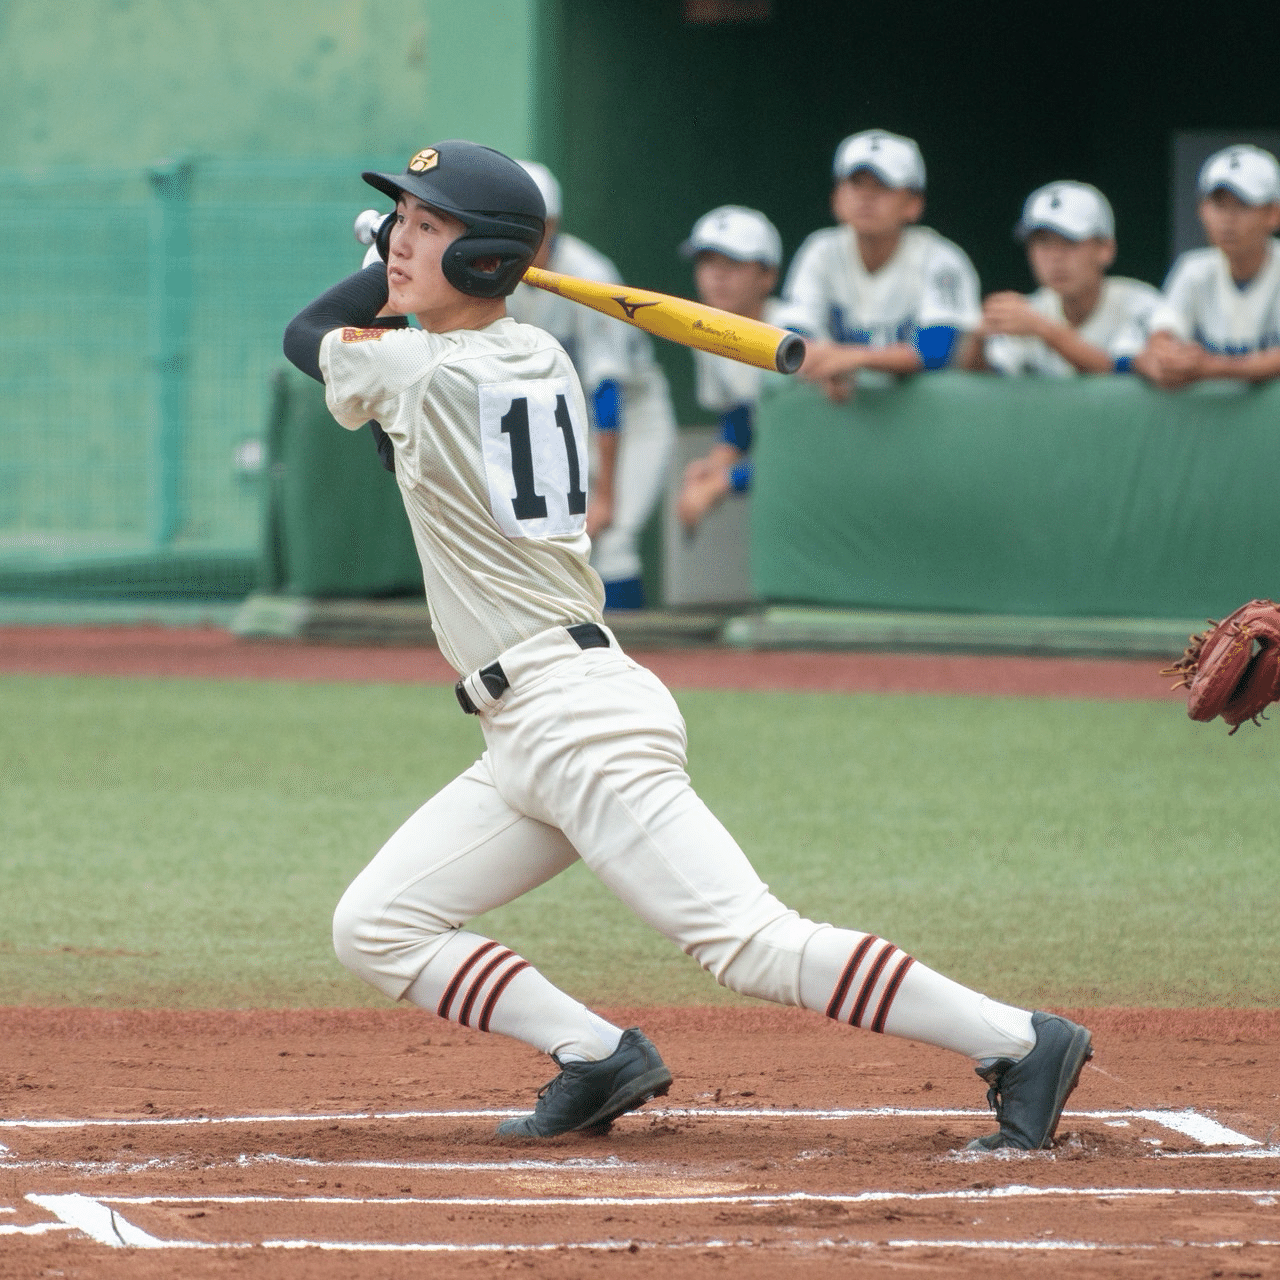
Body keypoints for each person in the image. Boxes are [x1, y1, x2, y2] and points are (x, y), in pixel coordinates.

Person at [282, 138, 1092, 1151]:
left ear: (488, 259)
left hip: (577, 722)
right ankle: (595, 1055)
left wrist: (374, 263)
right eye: (399, 220)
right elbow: (392, 389)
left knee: (747, 941)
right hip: (531, 721)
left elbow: (309, 332)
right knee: (377, 923)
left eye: (427, 225)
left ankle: (1020, 1041)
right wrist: (425, 258)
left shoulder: (422, 370)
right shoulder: (537, 353)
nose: (400, 240)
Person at [505, 160, 676, 609]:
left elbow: (608, 392)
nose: (519, 236)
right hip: (566, 418)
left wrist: (605, 494)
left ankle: (628, 644)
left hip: (632, 416)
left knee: (614, 538)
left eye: (531, 225)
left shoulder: (590, 274)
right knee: (556, 544)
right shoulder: (499, 276)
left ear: (552, 225)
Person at [785, 129, 981, 402]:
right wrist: (822, 366)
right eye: (856, 184)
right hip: (843, 411)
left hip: (926, 415)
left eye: (882, 186)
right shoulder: (819, 251)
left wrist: (850, 359)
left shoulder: (942, 259)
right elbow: (793, 336)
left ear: (913, 204)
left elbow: (937, 351)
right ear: (836, 198)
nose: (866, 196)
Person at [674, 205, 792, 532]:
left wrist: (725, 481)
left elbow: (805, 450)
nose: (717, 275)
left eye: (733, 263)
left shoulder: (794, 334)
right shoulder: (708, 330)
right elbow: (741, 413)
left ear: (768, 276)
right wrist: (716, 465)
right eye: (707, 262)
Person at [973, 182, 1160, 376]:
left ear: (1106, 249)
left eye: (1070, 241)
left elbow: (1120, 370)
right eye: (1043, 242)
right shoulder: (1032, 311)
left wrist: (1044, 330)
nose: (1055, 257)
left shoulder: (1141, 303)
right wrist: (977, 339)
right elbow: (987, 377)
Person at [1134, 144, 1280, 388]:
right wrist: (1165, 359)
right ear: (1202, 210)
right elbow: (1161, 336)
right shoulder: (1193, 269)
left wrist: (1213, 368)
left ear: (1273, 214)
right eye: (1219, 205)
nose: (1228, 219)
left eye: (1242, 205)